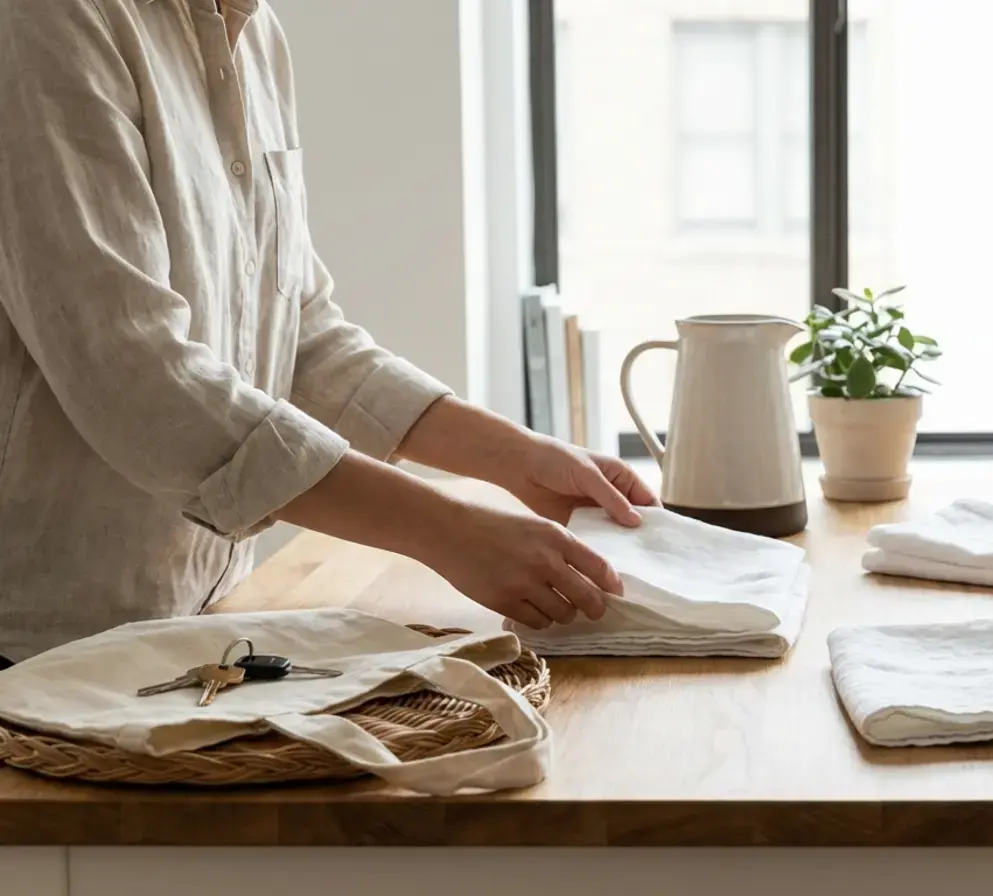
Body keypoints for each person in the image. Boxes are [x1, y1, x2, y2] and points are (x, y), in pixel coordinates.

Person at [0, 0, 657, 670]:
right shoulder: (46, 20)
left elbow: (299, 332)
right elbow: (135, 374)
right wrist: (448, 531)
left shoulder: (256, 37)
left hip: (204, 625)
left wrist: (517, 459)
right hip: (40, 653)